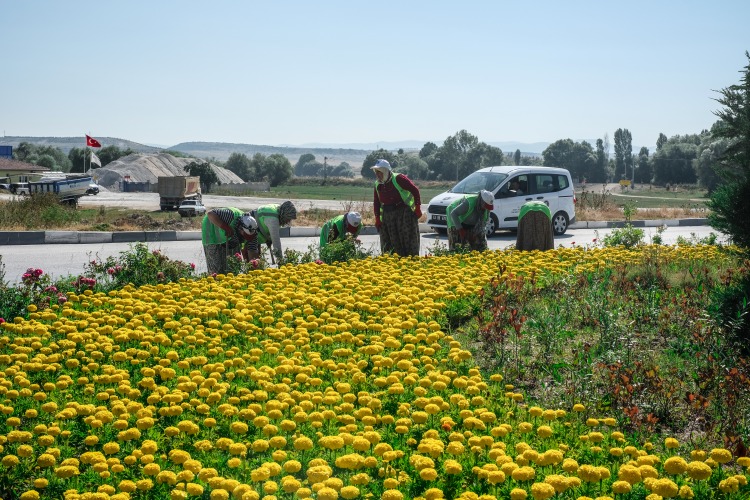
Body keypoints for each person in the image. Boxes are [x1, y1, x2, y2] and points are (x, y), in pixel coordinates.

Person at [372, 159, 422, 256]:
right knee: (389, 243)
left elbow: (415, 190)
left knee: (407, 240)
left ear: (386, 171)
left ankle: (410, 262)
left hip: (404, 214)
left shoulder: (399, 178)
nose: (377, 175)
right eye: (376, 172)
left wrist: (418, 208)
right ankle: (391, 263)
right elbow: (376, 202)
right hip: (387, 216)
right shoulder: (378, 184)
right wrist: (377, 218)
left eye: (380, 172)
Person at [202, 207, 259, 274]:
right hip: (212, 230)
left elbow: (252, 254)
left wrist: (252, 270)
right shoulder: (230, 216)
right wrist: (226, 227)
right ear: (240, 228)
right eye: (245, 236)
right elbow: (210, 214)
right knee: (216, 267)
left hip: (230, 237)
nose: (246, 239)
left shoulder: (253, 232)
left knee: (234, 265)